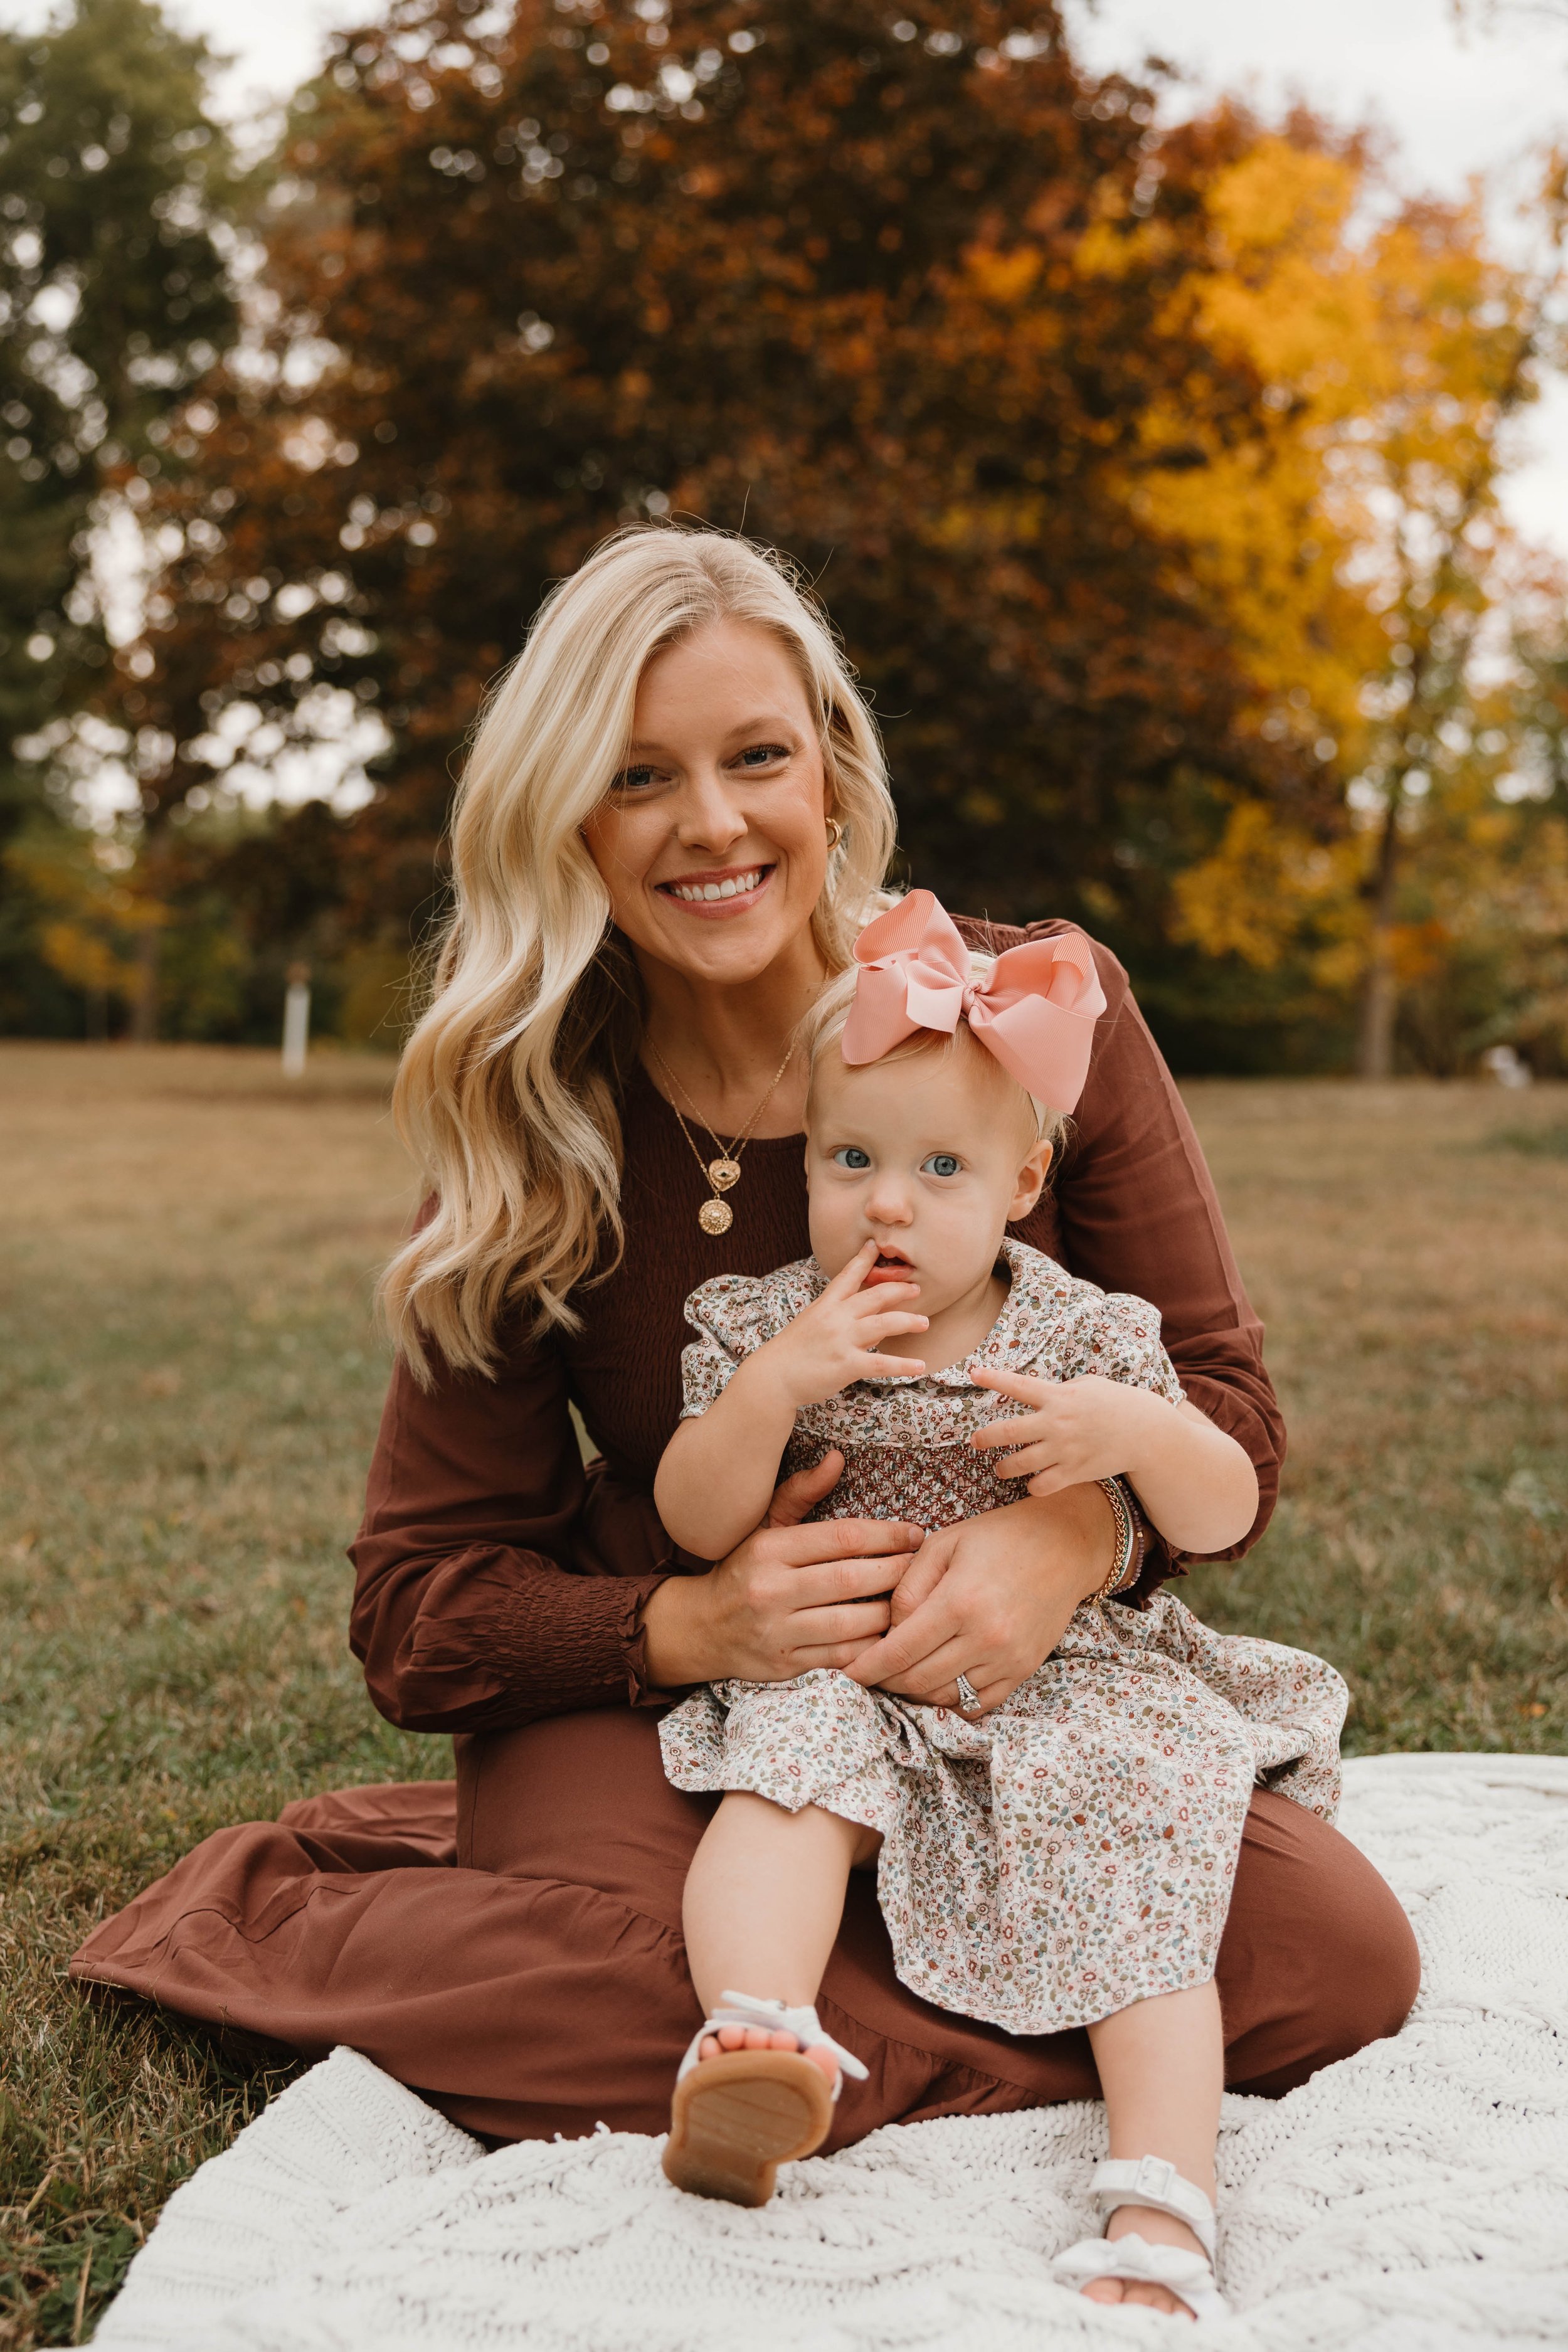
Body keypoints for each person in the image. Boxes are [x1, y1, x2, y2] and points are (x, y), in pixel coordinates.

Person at [70, 532, 1419, 2313]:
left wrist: (1064, 1538)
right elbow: (418, 1612)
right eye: (638, 776)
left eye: (752, 756)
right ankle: (889, 2012)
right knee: (658, 1950)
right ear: (567, 818)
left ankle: (791, 2036)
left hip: (1001, 1695)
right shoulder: (534, 1121)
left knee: (1336, 1957)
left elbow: (1224, 1406)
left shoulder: (1020, 1014)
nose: (709, 821)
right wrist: (695, 1619)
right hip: (670, 1702)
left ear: (828, 768)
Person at [652, 893, 1347, 2321]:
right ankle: (750, 2039)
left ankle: (1161, 2191)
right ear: (805, 1163)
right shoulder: (770, 1322)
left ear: (1023, 1181)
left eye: (939, 1167)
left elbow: (1221, 1509)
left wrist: (1136, 1442)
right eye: (849, 1160)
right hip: (844, 1667)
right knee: (781, 1779)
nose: (886, 1201)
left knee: (1136, 1832)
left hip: (1061, 1677)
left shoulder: (1087, 1333)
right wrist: (775, 1382)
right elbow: (691, 1517)